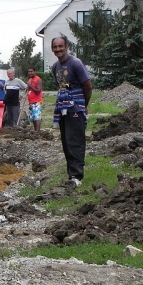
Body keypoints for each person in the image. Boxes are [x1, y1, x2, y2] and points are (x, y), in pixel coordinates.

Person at [51, 36, 92, 186]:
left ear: (67, 46)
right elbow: (61, 86)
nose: (58, 49)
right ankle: (71, 175)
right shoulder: (55, 67)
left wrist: (83, 105)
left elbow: (87, 87)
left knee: (75, 141)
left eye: (60, 46)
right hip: (63, 109)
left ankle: (77, 176)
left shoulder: (76, 63)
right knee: (66, 142)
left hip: (76, 108)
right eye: (55, 47)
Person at [26, 67, 43, 131]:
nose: (30, 73)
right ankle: (35, 130)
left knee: (37, 117)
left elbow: (38, 91)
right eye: (29, 71)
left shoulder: (38, 80)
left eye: (31, 71)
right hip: (31, 101)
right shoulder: (30, 80)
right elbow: (28, 89)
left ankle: (37, 132)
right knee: (32, 117)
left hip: (37, 101)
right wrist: (28, 88)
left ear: (34, 72)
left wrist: (30, 86)